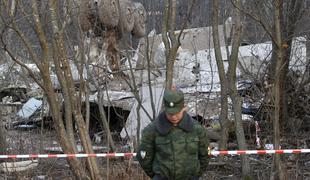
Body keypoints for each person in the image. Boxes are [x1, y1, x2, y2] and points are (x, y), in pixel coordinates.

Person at [137, 88, 209, 180]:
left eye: (177, 113)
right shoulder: (152, 130)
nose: (174, 117)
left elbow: (205, 155)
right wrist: (157, 176)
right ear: (165, 109)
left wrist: (195, 175)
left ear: (184, 108)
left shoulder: (196, 129)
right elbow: (144, 158)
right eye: (170, 114)